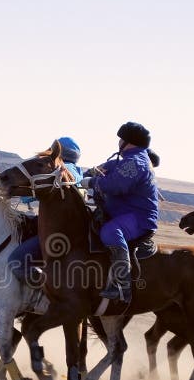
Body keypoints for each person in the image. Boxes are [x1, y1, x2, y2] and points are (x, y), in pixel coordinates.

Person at [80, 121, 158, 302]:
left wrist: (92, 182)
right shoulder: (128, 161)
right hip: (123, 213)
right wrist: (88, 173)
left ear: (128, 141)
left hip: (139, 218)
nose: (118, 143)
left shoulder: (136, 162)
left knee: (110, 232)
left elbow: (115, 185)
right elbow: (107, 169)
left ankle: (122, 286)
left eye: (120, 139)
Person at [10, 136, 83, 285]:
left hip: (57, 230)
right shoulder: (77, 171)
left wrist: (21, 194)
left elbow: (40, 189)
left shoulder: (63, 169)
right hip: (66, 227)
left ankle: (38, 296)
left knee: (16, 260)